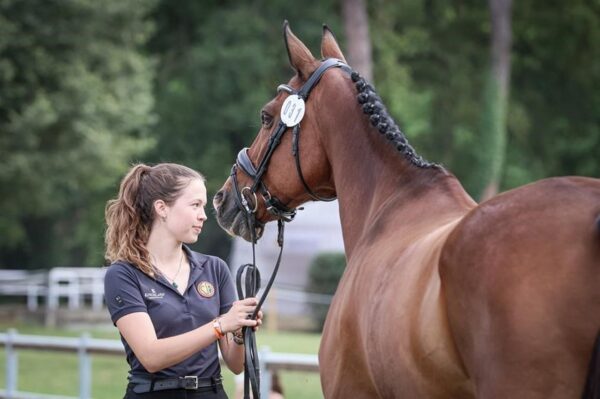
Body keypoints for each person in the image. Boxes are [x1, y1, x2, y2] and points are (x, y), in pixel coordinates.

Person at [104, 163, 262, 399]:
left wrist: (239, 329)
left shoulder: (215, 268)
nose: (203, 215)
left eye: (203, 206)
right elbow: (151, 356)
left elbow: (236, 365)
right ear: (162, 208)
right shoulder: (123, 274)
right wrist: (220, 326)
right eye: (195, 205)